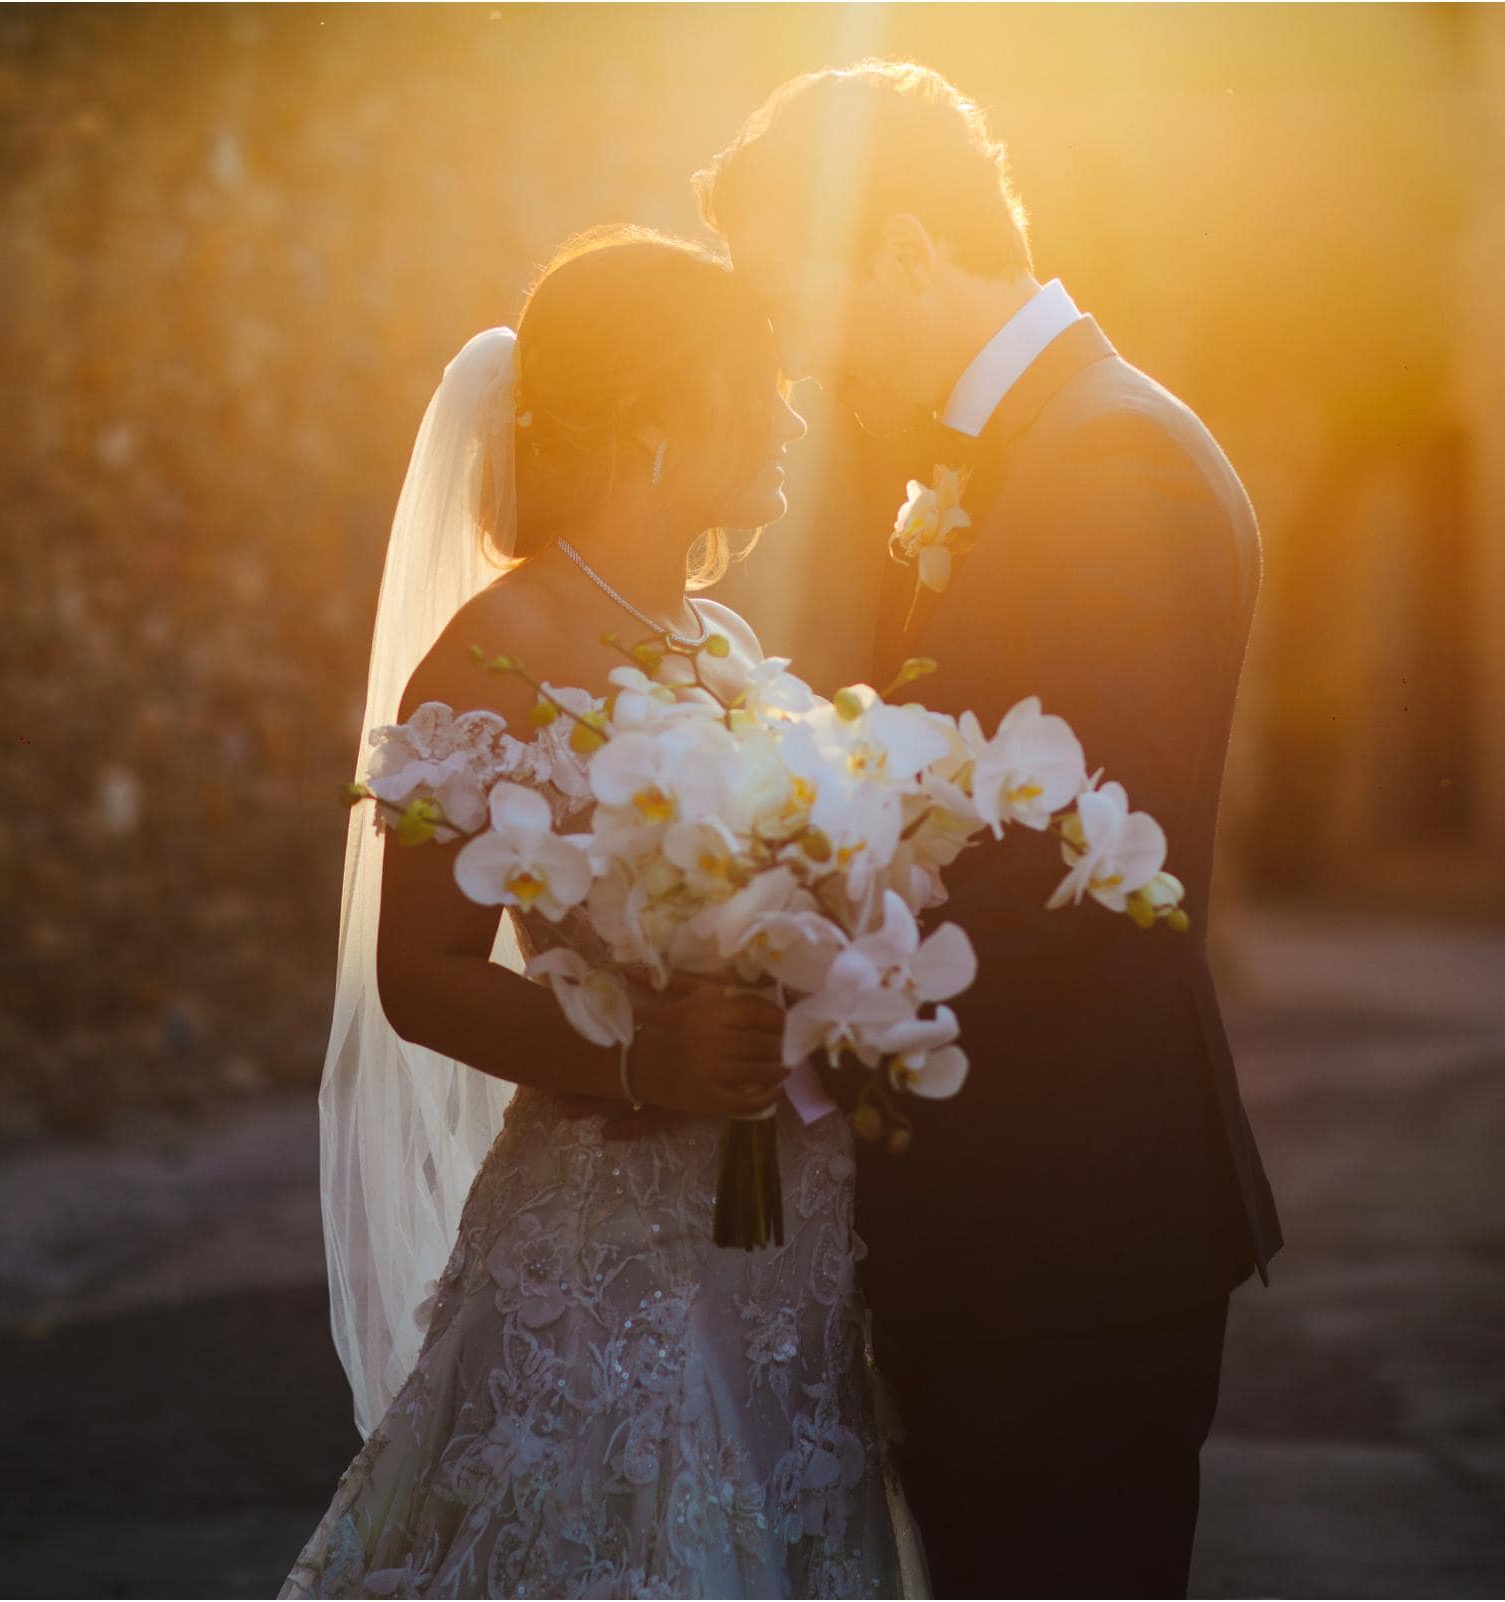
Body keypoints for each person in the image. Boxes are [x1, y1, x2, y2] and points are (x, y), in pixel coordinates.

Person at [697, 60, 1286, 1598]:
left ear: (901, 249)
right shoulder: (1024, 451)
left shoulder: (1112, 466)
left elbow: (1090, 876)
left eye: (806, 308)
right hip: (1006, 1230)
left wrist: (784, 972)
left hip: (1072, 1235)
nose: (807, 368)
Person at [279, 225, 910, 1599]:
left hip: (781, 1239)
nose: (791, 413)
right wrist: (642, 1056)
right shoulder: (493, 658)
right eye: (759, 381)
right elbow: (421, 974)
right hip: (611, 1239)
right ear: (651, 422)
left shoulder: (717, 643)